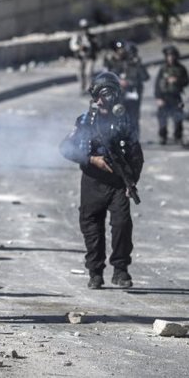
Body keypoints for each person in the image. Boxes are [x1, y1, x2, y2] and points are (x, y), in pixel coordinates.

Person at [60, 72, 144, 289]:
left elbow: (136, 154)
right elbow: (66, 148)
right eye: (98, 96)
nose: (101, 101)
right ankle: (95, 272)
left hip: (119, 182)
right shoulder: (86, 121)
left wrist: (132, 181)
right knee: (91, 226)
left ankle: (120, 270)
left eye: (106, 95)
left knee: (122, 224)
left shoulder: (125, 121)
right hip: (92, 181)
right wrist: (91, 159)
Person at [103, 42, 150, 136]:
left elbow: (144, 77)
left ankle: (134, 138)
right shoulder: (114, 62)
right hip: (118, 94)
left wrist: (129, 82)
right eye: (117, 51)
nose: (120, 53)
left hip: (132, 94)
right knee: (117, 115)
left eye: (122, 50)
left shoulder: (134, 63)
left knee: (133, 117)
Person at [154, 45, 188, 145]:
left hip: (176, 97)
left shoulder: (181, 68)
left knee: (178, 118)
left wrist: (177, 80)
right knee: (162, 119)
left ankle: (178, 136)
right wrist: (158, 98)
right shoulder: (163, 69)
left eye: (172, 55)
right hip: (164, 97)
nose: (171, 58)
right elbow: (157, 85)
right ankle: (163, 136)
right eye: (169, 56)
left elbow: (186, 81)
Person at [69, 18, 99, 95]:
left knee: (88, 73)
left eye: (86, 28)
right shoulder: (77, 36)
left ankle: (89, 88)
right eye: (83, 28)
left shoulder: (92, 36)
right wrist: (80, 48)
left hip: (90, 57)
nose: (84, 30)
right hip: (80, 57)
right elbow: (72, 46)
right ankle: (82, 88)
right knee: (80, 73)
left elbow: (96, 46)